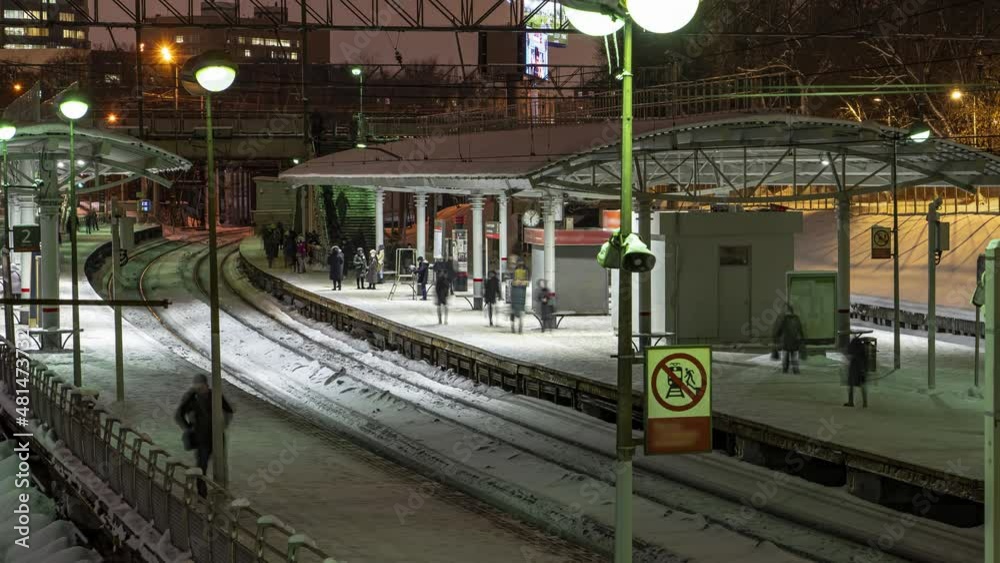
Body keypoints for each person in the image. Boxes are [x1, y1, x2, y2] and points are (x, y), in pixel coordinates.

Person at [174, 374, 233, 497]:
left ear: (206, 385)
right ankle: (203, 496)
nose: (199, 390)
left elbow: (229, 410)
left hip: (217, 437)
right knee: (202, 467)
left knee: (220, 465)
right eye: (197, 388)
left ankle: (221, 492)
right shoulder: (191, 397)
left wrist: (223, 425)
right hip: (202, 439)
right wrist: (189, 428)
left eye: (201, 387)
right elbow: (179, 415)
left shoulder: (215, 395)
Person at [773, 304, 805, 374]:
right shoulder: (797, 318)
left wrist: (777, 336)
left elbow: (780, 329)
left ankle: (785, 369)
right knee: (794, 356)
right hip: (795, 341)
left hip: (786, 341)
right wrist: (802, 338)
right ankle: (796, 369)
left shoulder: (784, 319)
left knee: (785, 356)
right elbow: (800, 329)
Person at [845, 334, 868, 408]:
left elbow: (849, 353)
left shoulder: (853, 347)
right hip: (861, 368)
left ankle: (850, 401)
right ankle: (865, 402)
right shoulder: (861, 347)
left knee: (851, 384)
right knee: (862, 385)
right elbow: (864, 359)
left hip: (854, 368)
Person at [509, 262, 528, 334]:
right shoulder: (524, 285)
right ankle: (519, 328)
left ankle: (513, 327)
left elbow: (511, 293)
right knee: (520, 315)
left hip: (515, 302)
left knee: (514, 314)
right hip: (521, 302)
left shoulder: (514, 284)